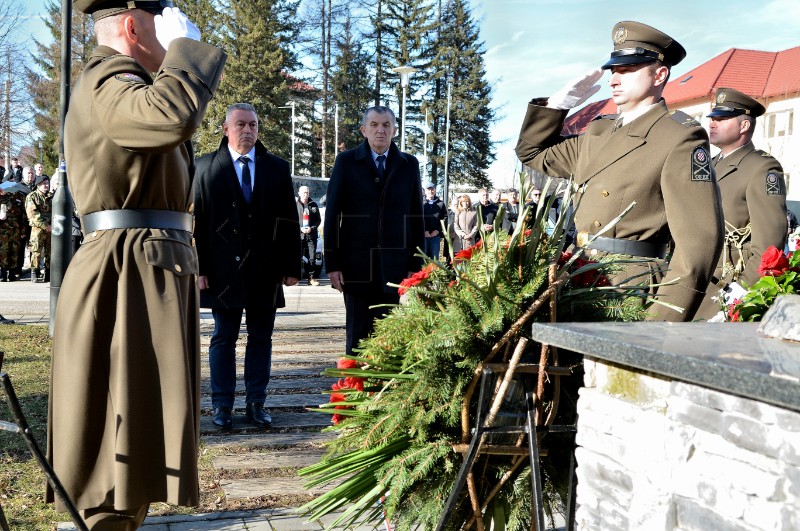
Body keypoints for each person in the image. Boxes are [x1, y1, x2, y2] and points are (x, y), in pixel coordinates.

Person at [47, 2, 226, 529]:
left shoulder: (124, 86)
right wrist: (186, 54)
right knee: (112, 456)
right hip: (121, 280)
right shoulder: (109, 80)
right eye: (160, 28)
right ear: (131, 27)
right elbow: (169, 117)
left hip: (138, 275)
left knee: (134, 450)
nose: (170, 40)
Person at [515, 20, 723, 321]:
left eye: (627, 70)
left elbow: (698, 243)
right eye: (613, 70)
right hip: (578, 275)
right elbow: (532, 152)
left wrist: (663, 321)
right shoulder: (599, 132)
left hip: (631, 288)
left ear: (659, 74)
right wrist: (555, 107)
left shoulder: (678, 137)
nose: (615, 78)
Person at [194, 103, 299, 430]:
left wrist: (291, 264)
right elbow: (196, 222)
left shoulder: (277, 169)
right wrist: (198, 268)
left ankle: (257, 403)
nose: (248, 130)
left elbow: (288, 221)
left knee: (261, 338)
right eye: (240, 124)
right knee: (223, 337)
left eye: (253, 124)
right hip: (221, 273)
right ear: (226, 129)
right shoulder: (205, 168)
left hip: (265, 271)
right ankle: (221, 406)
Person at [324, 105, 424, 356]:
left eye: (386, 125)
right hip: (355, 268)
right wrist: (333, 263)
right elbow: (333, 214)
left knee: (390, 337)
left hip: (395, 267)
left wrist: (416, 264)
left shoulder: (408, 164)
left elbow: (416, 217)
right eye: (374, 125)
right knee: (357, 337)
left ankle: (383, 392)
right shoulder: (347, 162)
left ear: (395, 130)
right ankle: (353, 390)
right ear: (363, 130)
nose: (381, 130)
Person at [695, 88, 787, 319]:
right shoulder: (709, 164)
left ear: (744, 126)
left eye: (722, 119)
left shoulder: (762, 169)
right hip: (695, 277)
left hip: (723, 286)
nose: (712, 124)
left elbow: (769, 244)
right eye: (712, 118)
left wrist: (740, 290)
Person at [25, 175, 52, 283]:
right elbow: (33, 214)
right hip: (38, 229)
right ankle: (34, 273)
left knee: (49, 252)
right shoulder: (32, 196)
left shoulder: (51, 196)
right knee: (36, 251)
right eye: (44, 184)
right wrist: (46, 226)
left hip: (51, 229)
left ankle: (48, 273)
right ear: (38, 185)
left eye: (47, 183)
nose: (46, 185)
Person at [296, 185, 322, 285]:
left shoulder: (314, 205)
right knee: (297, 256)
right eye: (303, 192)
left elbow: (318, 220)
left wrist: (312, 228)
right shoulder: (295, 205)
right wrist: (300, 229)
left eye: (307, 192)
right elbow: (292, 220)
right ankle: (297, 278)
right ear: (299, 193)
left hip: (311, 236)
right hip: (299, 235)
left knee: (311, 257)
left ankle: (311, 278)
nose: (305, 194)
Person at [0, 186, 26, 281]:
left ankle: (12, 273)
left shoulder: (20, 196)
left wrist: (23, 230)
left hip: (16, 228)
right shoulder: (1, 196)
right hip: (3, 228)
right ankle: (3, 272)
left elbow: (23, 214)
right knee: (3, 250)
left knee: (14, 250)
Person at [422, 181, 447, 259]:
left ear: (435, 190)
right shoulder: (421, 203)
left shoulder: (441, 204)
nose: (430, 191)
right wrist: (424, 230)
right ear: (425, 191)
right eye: (428, 190)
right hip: (423, 236)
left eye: (432, 189)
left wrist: (437, 231)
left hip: (435, 237)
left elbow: (445, 218)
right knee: (423, 259)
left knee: (435, 260)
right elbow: (417, 218)